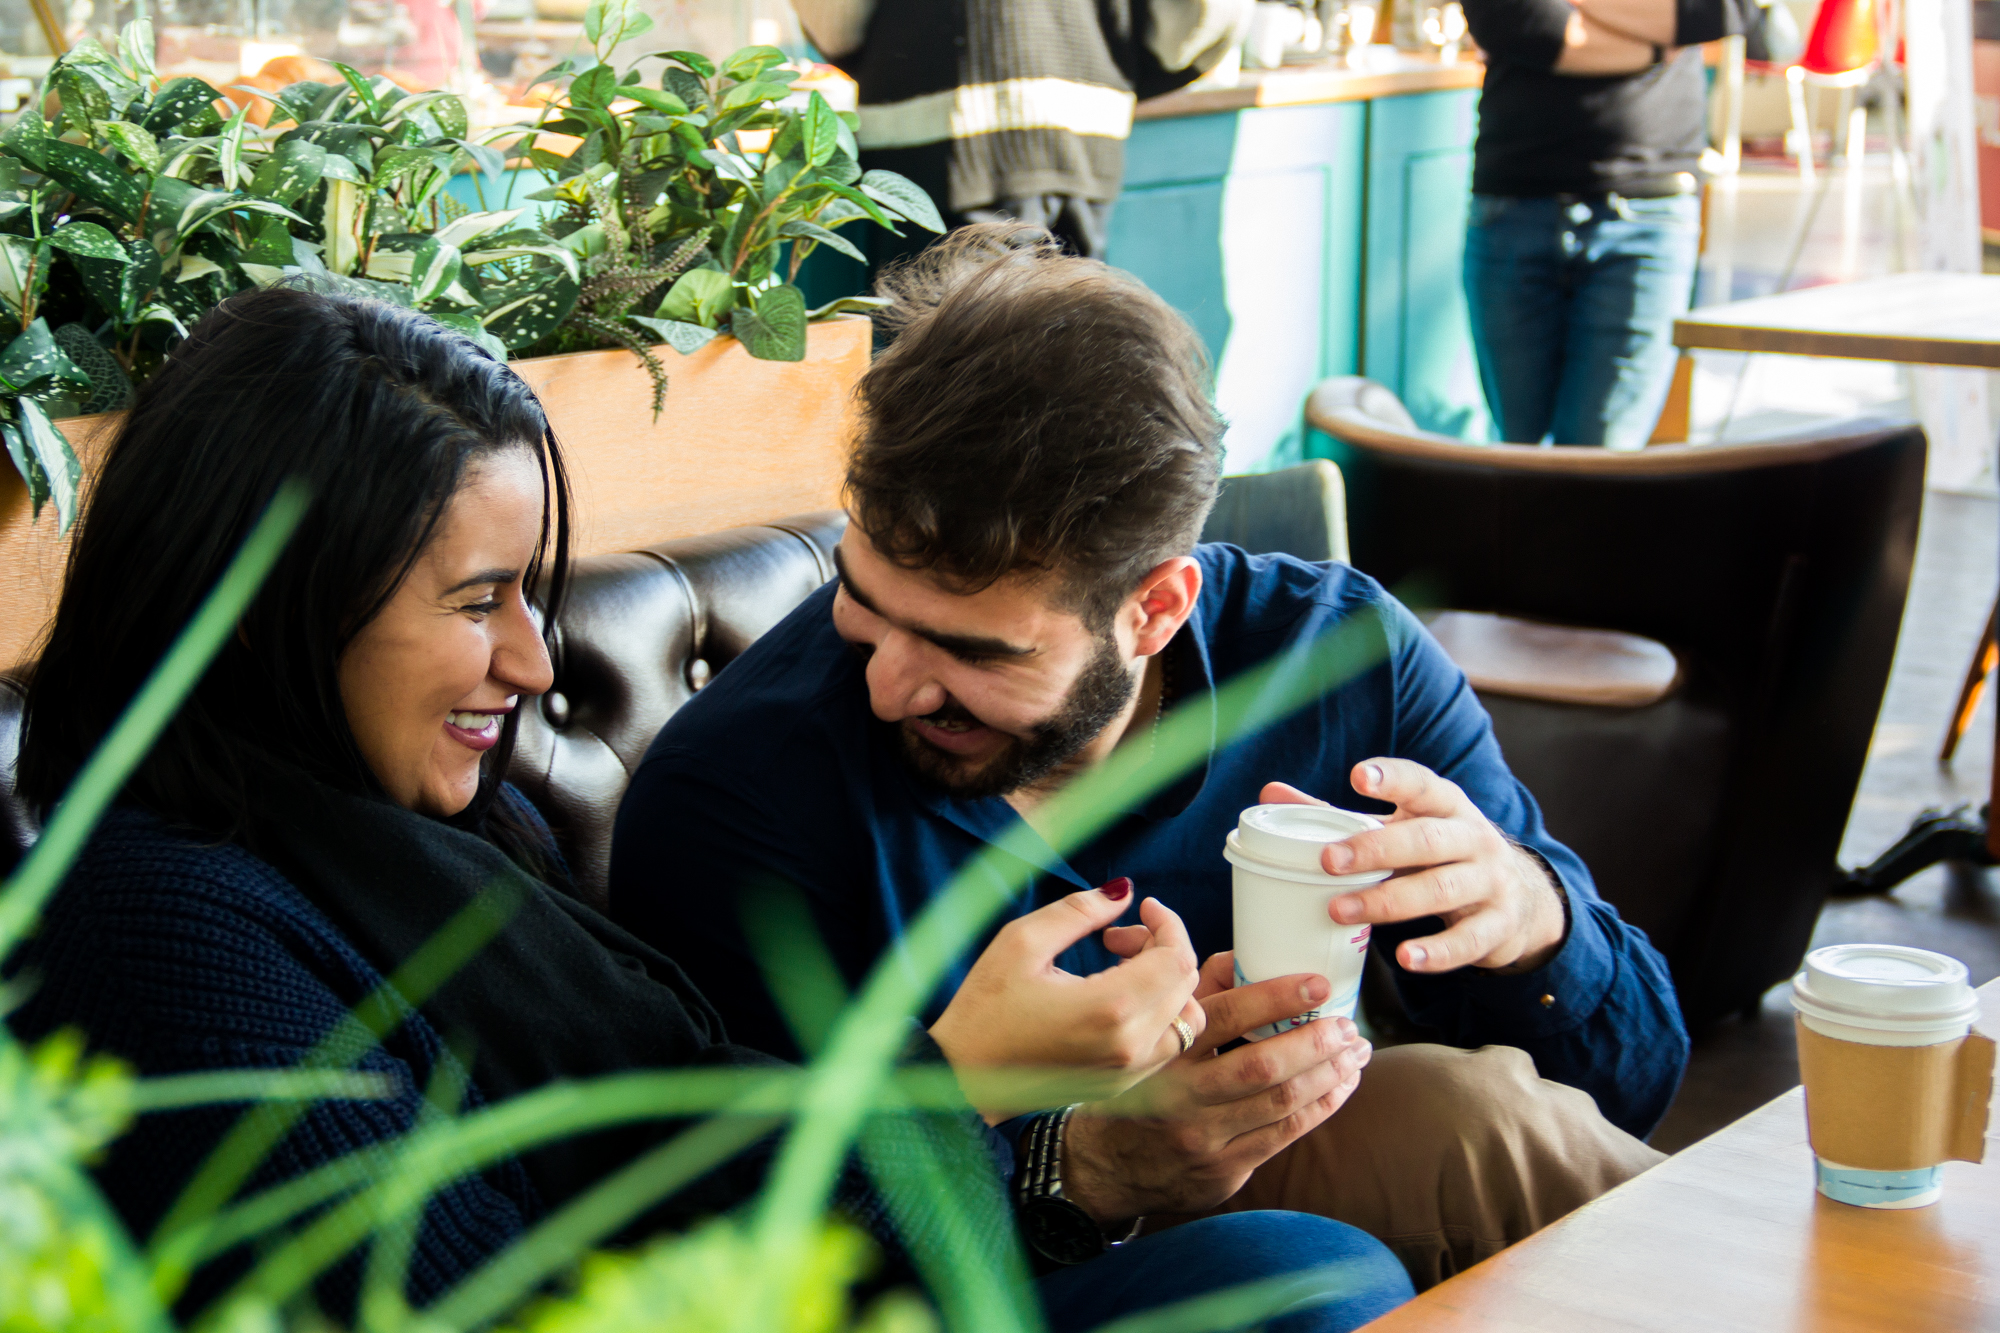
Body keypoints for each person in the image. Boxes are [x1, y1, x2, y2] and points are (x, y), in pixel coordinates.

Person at [3, 287, 1414, 1330]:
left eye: (532, 598)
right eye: (477, 602)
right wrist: (954, 1080)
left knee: (1318, 1260)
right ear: (276, 616)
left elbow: (689, 1184)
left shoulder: (428, 839)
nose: (534, 661)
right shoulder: (161, 927)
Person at [610, 225, 1689, 1287]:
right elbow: (744, 1260)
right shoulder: (741, 791)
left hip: (1313, 1206)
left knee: (1474, 1122)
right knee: (1450, 1138)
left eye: (969, 650)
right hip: (998, 1281)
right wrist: (1084, 1159)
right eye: (863, 599)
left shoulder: (1338, 660)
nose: (888, 681)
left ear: (1155, 608)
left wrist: (1527, 922)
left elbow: (1633, 1080)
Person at [1459, 0, 1740, 447]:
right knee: (1516, 457)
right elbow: (1511, 18)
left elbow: (1715, 11)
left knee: (1601, 460)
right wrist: (1653, 43)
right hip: (1513, 202)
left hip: (1649, 212)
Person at [790, 0, 1247, 258]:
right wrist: (1132, 68)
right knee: (1071, 368)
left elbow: (834, 20)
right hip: (1082, 125)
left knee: (944, 386)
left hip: (935, 132)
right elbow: (1207, 15)